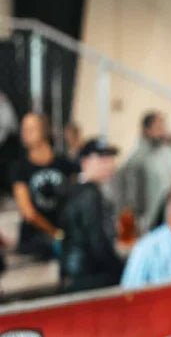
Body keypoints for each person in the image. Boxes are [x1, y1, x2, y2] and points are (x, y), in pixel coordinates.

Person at [11, 113, 78, 260]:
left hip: (64, 233)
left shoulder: (64, 163)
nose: (26, 134)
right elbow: (29, 213)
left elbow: (77, 196)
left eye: (31, 128)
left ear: (44, 130)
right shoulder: (20, 169)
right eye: (24, 129)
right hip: (35, 241)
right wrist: (55, 233)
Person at [60, 139, 124, 292]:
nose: (110, 165)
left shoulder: (76, 190)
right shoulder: (89, 195)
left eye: (110, 159)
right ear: (85, 162)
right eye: (102, 159)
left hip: (77, 274)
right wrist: (120, 269)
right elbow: (97, 242)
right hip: (90, 277)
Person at [116, 111, 171, 234]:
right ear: (146, 130)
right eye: (158, 128)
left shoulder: (170, 153)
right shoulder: (137, 158)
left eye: (163, 127)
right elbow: (131, 194)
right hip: (148, 221)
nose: (162, 132)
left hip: (169, 216)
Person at [0, 91, 19, 196]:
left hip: (8, 144)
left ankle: (8, 192)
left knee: (7, 170)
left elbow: (7, 126)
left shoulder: (4, 103)